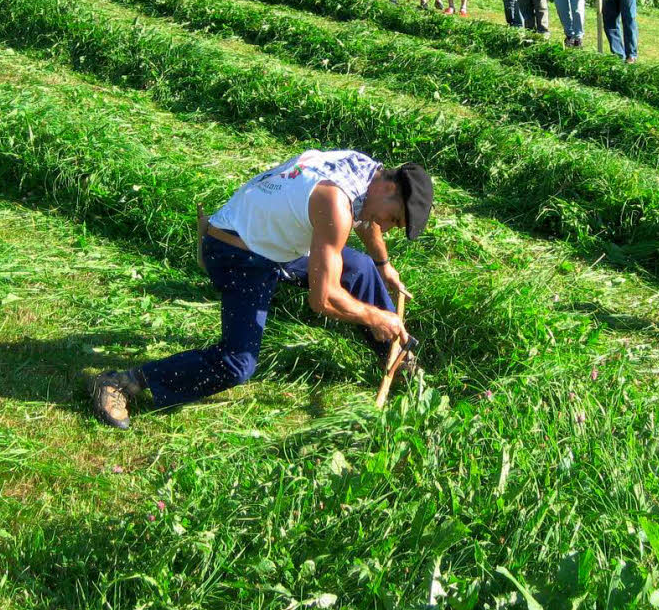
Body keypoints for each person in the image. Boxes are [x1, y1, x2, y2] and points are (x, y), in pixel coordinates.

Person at [90, 150, 434, 426]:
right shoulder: (334, 200)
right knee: (238, 363)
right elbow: (323, 298)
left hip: (270, 240)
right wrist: (374, 315)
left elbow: (366, 218)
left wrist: (382, 264)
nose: (384, 227)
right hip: (236, 251)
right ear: (389, 188)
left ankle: (396, 359)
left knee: (361, 270)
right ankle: (125, 381)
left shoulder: (363, 169)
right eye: (393, 219)